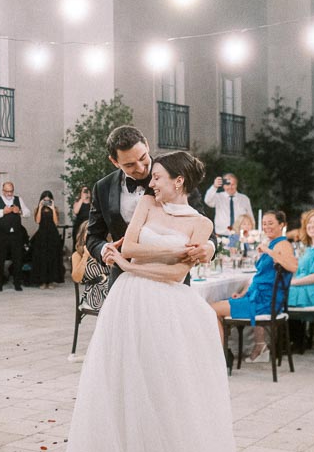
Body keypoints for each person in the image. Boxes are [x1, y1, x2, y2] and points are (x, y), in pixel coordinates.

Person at [62, 151, 238, 452]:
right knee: (120, 383)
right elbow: (127, 244)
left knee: (164, 386)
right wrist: (161, 256)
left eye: (157, 176)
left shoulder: (201, 225)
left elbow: (173, 275)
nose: (150, 182)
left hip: (168, 307)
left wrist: (137, 264)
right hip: (127, 302)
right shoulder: (145, 201)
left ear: (178, 181)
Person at [86, 126, 214, 286]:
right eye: (130, 164)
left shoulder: (175, 176)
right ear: (114, 161)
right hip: (124, 279)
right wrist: (106, 250)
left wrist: (209, 248)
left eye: (142, 158)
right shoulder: (103, 187)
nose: (140, 168)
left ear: (146, 145)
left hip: (170, 283)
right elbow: (93, 237)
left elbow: (202, 224)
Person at [212, 211, 297, 362]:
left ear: (282, 225)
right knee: (216, 306)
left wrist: (268, 251)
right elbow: (259, 278)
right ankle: (226, 351)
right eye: (264, 223)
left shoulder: (283, 244)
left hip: (264, 302)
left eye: (271, 223)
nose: (266, 227)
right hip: (258, 298)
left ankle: (220, 358)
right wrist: (244, 294)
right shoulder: (273, 243)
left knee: (212, 309)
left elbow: (293, 266)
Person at [0, 180, 26, 292]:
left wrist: (20, 211)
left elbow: (28, 213)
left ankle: (17, 283)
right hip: (2, 235)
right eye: (7, 191)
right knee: (0, 259)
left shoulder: (18, 200)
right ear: (3, 191)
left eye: (11, 191)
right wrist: (2, 212)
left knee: (18, 259)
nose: (9, 194)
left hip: (16, 235)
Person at [71, 222, 110, 313]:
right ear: (83, 235)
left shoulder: (106, 250)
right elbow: (76, 278)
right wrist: (85, 256)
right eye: (89, 233)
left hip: (110, 288)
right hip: (94, 294)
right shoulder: (77, 255)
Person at [29, 190, 65, 288]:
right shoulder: (38, 208)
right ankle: (43, 281)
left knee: (52, 258)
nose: (46, 202)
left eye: (48, 200)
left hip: (53, 235)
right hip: (42, 236)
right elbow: (37, 221)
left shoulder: (55, 209)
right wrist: (40, 207)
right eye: (45, 200)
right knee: (42, 258)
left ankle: (51, 280)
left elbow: (56, 223)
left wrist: (52, 208)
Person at [204, 172, 255, 236]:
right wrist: (214, 187)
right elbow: (207, 201)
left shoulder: (244, 199)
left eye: (233, 184)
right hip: (221, 235)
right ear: (223, 185)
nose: (230, 187)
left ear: (236, 185)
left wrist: (252, 234)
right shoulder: (218, 197)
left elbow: (250, 218)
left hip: (240, 236)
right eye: (228, 184)